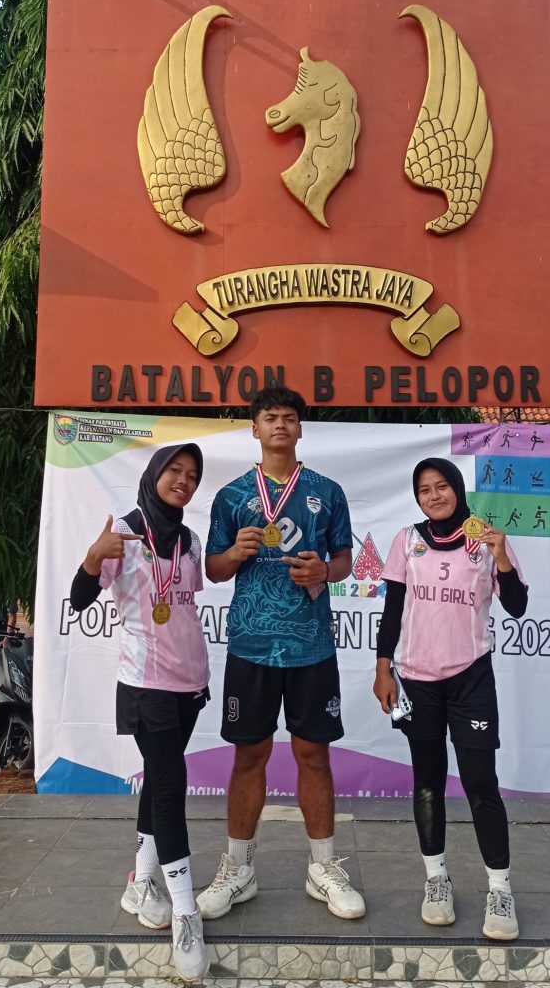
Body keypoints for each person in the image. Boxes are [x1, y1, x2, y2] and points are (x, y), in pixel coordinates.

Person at [196, 386, 365, 920]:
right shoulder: (232, 496)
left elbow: (345, 559)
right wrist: (235, 552)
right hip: (251, 645)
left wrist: (325, 571)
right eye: (270, 417)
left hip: (311, 645)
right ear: (255, 429)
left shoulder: (326, 492)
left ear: (300, 429)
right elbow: (212, 569)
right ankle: (238, 869)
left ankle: (323, 867)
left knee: (314, 755)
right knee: (250, 756)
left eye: (289, 418)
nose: (280, 425)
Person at [68, 444, 211, 980]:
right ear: (154, 475)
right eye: (175, 470)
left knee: (158, 780)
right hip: (145, 684)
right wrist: (92, 559)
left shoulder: (190, 541)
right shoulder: (125, 536)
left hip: (190, 683)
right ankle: (186, 914)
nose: (183, 481)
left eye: (192, 475)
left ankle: (141, 882)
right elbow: (80, 599)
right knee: (171, 786)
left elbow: (182, 608)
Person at [373, 458, 528, 941]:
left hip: (471, 679)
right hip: (417, 680)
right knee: (427, 783)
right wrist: (382, 668)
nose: (434, 495)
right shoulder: (407, 540)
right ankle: (436, 880)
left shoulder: (486, 540)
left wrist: (502, 556)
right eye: (424, 489)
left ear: (457, 489)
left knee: (482, 784)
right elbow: (392, 610)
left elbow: (517, 606)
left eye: (442, 486)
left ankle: (499, 889)